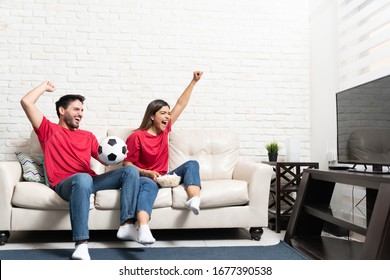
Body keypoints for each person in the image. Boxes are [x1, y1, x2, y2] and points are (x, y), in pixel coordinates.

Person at [20, 81, 156, 260]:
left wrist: (121, 152)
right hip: (65, 183)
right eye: (76, 109)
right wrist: (44, 87)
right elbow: (26, 102)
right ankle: (81, 245)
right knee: (83, 178)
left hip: (89, 181)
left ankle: (127, 224)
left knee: (129, 172)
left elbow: (104, 158)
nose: (80, 114)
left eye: (82, 110)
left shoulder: (88, 136)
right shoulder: (48, 130)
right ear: (62, 110)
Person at [123, 71, 203, 221]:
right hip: (146, 178)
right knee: (149, 186)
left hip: (164, 177)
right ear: (152, 116)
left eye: (168, 113)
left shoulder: (164, 131)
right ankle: (142, 224)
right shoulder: (137, 136)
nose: (168, 116)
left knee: (192, 164)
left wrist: (194, 81)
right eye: (163, 113)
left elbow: (180, 104)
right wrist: (147, 173)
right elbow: (127, 164)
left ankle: (194, 199)